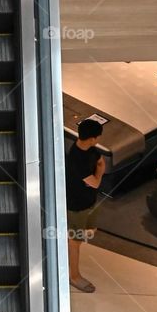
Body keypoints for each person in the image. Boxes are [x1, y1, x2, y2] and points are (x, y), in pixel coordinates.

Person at [65, 117, 105, 293]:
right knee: (75, 242)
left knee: (90, 230)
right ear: (93, 138)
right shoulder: (76, 160)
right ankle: (74, 276)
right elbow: (97, 179)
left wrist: (97, 174)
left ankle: (70, 240)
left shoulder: (91, 149)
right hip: (76, 205)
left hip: (90, 201)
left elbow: (100, 162)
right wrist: (100, 173)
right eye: (98, 137)